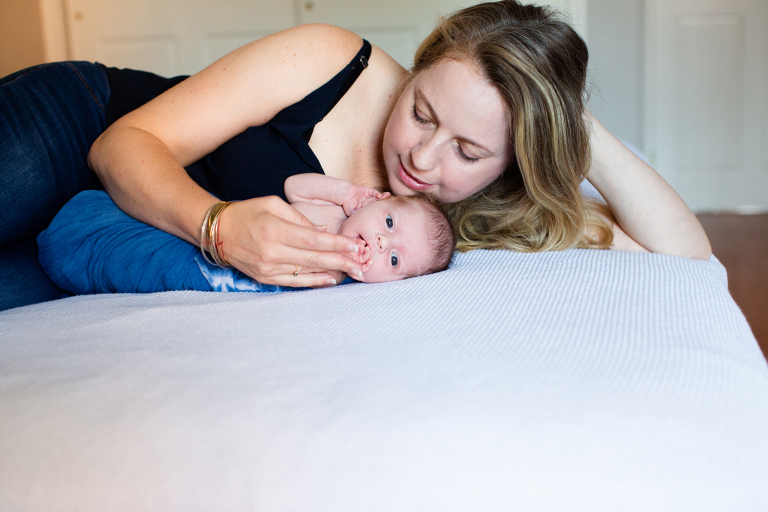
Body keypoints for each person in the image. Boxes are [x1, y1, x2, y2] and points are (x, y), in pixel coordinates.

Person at [0, 0, 711, 311]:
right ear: (416, 70)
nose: (423, 158)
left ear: (511, 162)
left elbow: (684, 255)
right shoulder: (332, 60)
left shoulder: (492, 210)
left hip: (108, 242)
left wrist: (563, 116)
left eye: (467, 149)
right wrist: (218, 227)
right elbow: (121, 146)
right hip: (79, 128)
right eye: (422, 111)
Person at [37, 174, 455, 293]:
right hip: (208, 241)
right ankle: (83, 235)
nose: (382, 243)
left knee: (138, 272)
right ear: (374, 202)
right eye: (388, 223)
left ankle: (84, 265)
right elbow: (293, 186)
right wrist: (346, 193)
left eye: (394, 260)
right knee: (145, 243)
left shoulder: (341, 282)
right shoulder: (329, 211)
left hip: (208, 280)